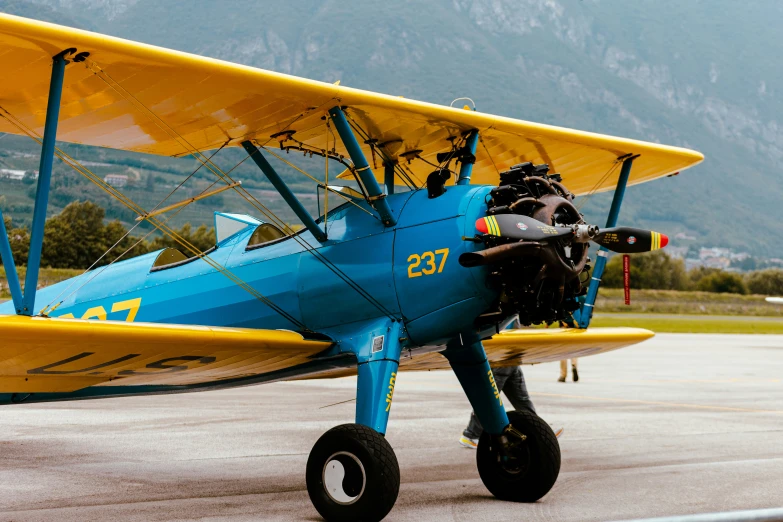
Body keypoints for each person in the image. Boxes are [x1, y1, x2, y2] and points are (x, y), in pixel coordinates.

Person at [458, 316, 563, 449]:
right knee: (490, 399)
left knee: (522, 399)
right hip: (503, 356)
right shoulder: (501, 307)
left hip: (511, 356)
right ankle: (471, 434)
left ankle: (539, 430)